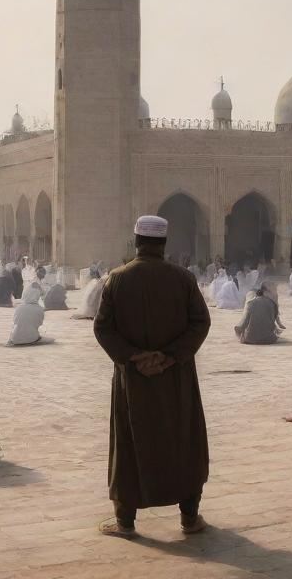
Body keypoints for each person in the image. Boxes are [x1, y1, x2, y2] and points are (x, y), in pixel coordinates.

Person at [94, 215, 211, 539]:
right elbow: (200, 323)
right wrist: (170, 356)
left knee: (130, 443)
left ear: (136, 242)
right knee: (183, 441)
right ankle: (189, 518)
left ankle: (125, 523)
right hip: (176, 380)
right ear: (164, 244)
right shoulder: (183, 279)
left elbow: (102, 328)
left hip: (133, 380)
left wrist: (134, 357)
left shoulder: (117, 279)